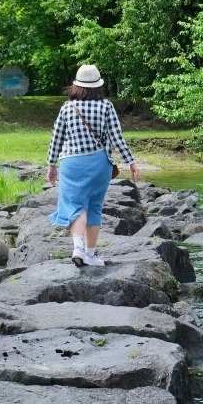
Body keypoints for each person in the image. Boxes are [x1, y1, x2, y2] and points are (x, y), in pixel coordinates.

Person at [47, 65, 139, 267]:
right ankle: (90, 254)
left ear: (76, 86)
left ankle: (78, 248)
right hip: (99, 163)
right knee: (94, 206)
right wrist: (130, 161)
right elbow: (117, 138)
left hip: (72, 162)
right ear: (98, 86)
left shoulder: (67, 107)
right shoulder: (106, 106)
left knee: (75, 205)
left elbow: (57, 138)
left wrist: (51, 164)